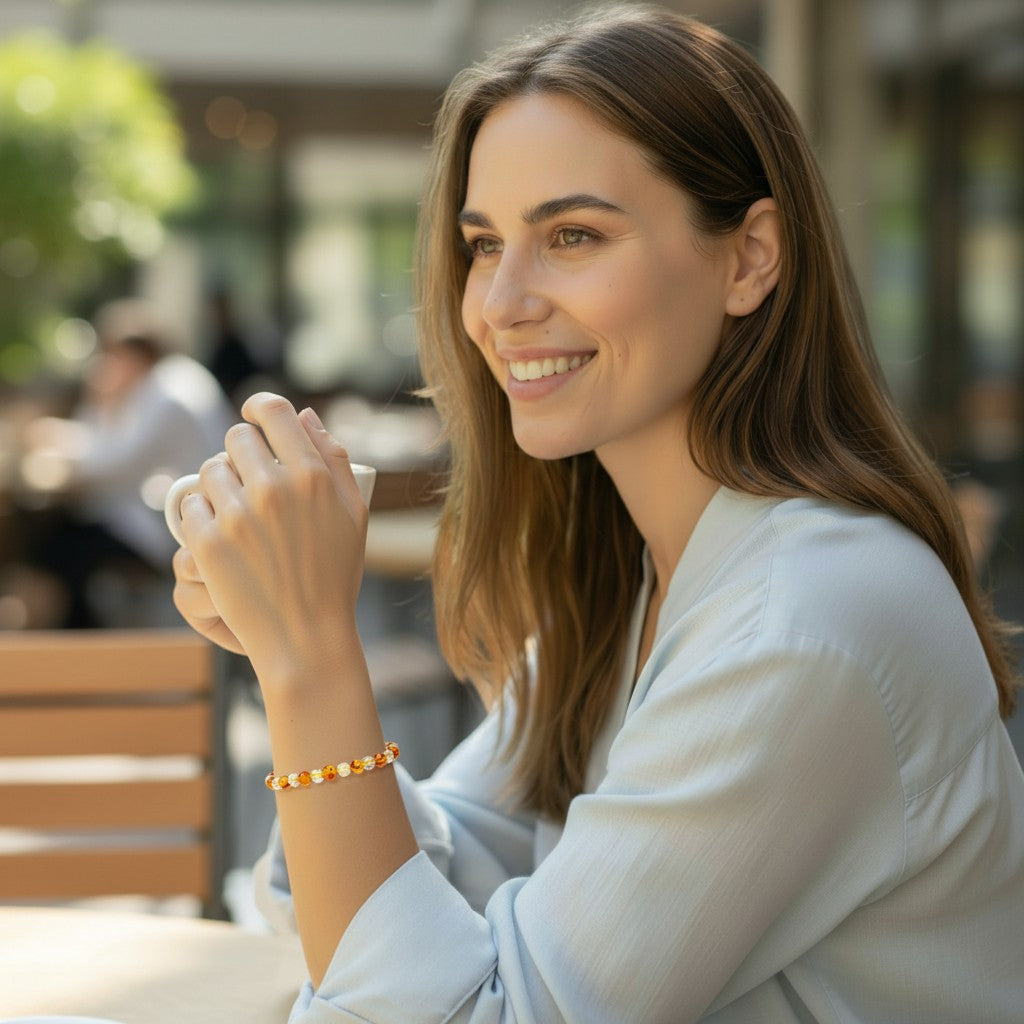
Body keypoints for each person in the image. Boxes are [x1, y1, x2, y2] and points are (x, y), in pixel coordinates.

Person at [171, 6, 1024, 1021]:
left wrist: (312, 657)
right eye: (483, 245)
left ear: (750, 256)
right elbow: (419, 884)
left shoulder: (805, 621)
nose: (499, 302)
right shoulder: (637, 574)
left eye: (572, 235)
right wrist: (282, 650)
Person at [21, 297, 234, 626]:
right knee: (61, 541)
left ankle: (80, 651)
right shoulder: (166, 383)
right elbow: (110, 449)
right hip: (177, 515)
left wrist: (92, 408)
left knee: (60, 549)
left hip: (182, 527)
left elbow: (113, 466)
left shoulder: (169, 394)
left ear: (133, 355)